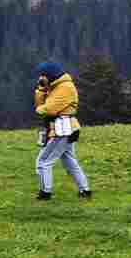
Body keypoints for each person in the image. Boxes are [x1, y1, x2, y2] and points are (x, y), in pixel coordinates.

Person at [31, 61, 89, 202]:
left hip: (62, 129)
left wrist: (39, 110)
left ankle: (45, 193)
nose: (41, 78)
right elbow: (41, 104)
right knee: (69, 161)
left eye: (43, 75)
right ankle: (85, 190)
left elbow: (48, 109)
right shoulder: (54, 87)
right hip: (63, 128)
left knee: (43, 161)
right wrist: (41, 90)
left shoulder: (65, 87)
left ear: (50, 75)